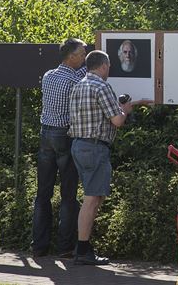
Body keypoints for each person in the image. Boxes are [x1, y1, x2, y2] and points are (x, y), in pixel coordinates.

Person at [68, 50, 133, 265]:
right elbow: (117, 121)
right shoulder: (101, 86)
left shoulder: (78, 86)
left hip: (78, 145)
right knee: (91, 199)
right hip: (95, 147)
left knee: (94, 198)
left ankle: (83, 248)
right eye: (109, 66)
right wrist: (125, 109)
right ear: (103, 66)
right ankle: (82, 250)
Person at [31, 38, 87, 258]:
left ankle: (39, 246)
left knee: (42, 194)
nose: (84, 58)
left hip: (46, 133)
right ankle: (65, 247)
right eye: (82, 54)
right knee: (68, 194)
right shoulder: (76, 79)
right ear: (71, 56)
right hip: (65, 135)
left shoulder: (48, 75)